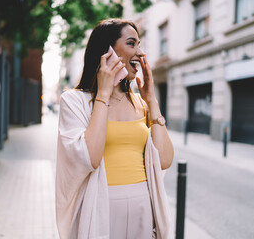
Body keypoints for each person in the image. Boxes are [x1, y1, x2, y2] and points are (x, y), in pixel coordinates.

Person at [56, 18, 174, 239]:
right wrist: (103, 93)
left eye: (139, 44)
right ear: (107, 51)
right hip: (101, 207)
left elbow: (164, 160)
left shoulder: (140, 103)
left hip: (143, 207)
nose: (140, 52)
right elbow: (90, 157)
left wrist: (152, 101)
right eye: (132, 43)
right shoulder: (74, 101)